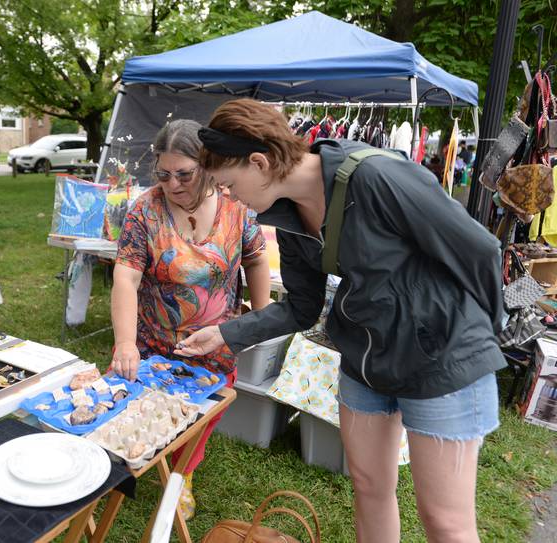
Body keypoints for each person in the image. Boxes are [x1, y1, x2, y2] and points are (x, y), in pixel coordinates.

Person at [175, 99, 504, 543]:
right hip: (364, 363)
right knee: (369, 489)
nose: (230, 197)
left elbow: (479, 250)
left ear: (260, 162)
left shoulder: (376, 176)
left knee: (445, 522)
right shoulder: (286, 214)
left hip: (440, 359)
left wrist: (485, 335)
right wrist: (224, 333)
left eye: (229, 184)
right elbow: (301, 306)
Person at [110, 119, 271, 520]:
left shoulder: (236, 207)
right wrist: (126, 343)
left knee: (198, 420)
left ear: (207, 167)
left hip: (217, 342)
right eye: (164, 175)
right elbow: (126, 277)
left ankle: (182, 476)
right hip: (154, 340)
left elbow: (255, 257)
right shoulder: (145, 211)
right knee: (150, 412)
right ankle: (149, 462)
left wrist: (261, 315)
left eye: (184, 174)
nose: (173, 184)